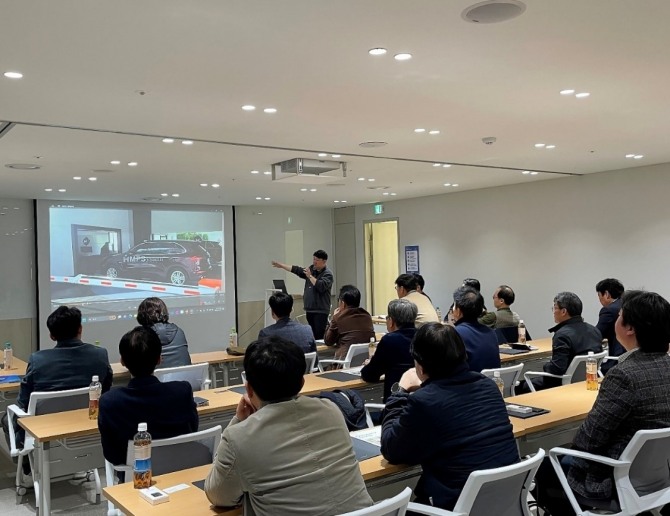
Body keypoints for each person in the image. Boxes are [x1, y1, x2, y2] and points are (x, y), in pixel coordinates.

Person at [536, 290, 670, 515]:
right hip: (658, 475)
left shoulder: (624, 375)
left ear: (629, 328)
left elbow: (588, 440)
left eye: (619, 316)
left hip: (614, 479)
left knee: (547, 463)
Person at [204, 336, 373, 515]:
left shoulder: (239, 437)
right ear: (302, 383)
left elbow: (218, 495)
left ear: (249, 389)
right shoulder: (331, 410)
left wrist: (238, 421)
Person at [380, 323, 519, 512]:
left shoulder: (424, 402)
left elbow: (391, 449)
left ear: (419, 366)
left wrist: (400, 391)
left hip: (455, 505)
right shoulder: (488, 386)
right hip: (503, 500)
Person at [2, 305, 113, 450]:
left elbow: (23, 402)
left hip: (43, 433)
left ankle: (25, 462)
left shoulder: (38, 360)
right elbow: (105, 391)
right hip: (87, 427)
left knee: (6, 419)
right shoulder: (100, 355)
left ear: (52, 336)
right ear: (80, 329)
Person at [98, 326, 198, 469]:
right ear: (159, 359)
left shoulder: (110, 402)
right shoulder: (182, 391)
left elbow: (111, 454)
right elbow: (192, 431)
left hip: (134, 478)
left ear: (122, 361)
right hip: (179, 471)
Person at [526, 292, 602, 392]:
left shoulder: (562, 335)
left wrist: (544, 365)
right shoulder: (594, 330)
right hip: (587, 382)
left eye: (555, 308)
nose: (553, 312)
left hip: (562, 384)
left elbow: (557, 369)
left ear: (563, 311)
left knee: (522, 385)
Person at [361, 298, 417, 401]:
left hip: (395, 404)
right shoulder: (423, 337)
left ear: (391, 321)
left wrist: (369, 364)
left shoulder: (389, 340)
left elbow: (370, 375)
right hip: (419, 403)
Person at [272, 250, 334, 339]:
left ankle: (320, 352)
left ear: (324, 261)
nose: (314, 262)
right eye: (313, 259)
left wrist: (309, 276)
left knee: (319, 336)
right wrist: (282, 266)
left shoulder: (328, 274)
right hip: (310, 309)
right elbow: (297, 270)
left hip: (320, 311)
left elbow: (320, 286)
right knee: (312, 335)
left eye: (317, 260)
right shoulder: (312, 269)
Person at [452, 286, 500, 372]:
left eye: (454, 306)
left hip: (469, 384)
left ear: (458, 311)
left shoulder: (455, 333)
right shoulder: (491, 333)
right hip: (491, 384)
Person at [136, 297, 191, 368]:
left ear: (141, 315)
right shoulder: (179, 332)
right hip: (183, 378)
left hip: (155, 378)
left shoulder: (139, 337)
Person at [324, 285, 374, 359]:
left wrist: (333, 318)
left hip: (345, 363)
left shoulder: (338, 318)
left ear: (343, 303)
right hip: (364, 363)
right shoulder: (367, 316)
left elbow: (328, 341)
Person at [595, 278, 625, 374]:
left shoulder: (609, 310)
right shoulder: (628, 305)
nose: (599, 299)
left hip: (618, 360)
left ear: (607, 294)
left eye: (599, 296)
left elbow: (597, 334)